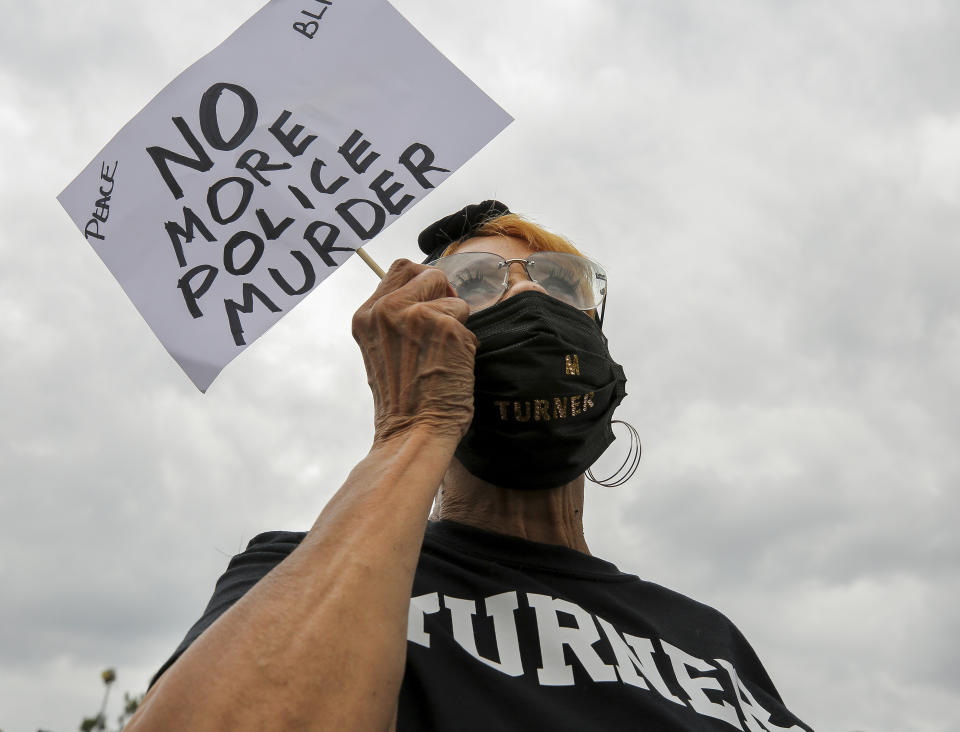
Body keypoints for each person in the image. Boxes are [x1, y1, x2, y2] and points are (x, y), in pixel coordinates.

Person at [127, 201, 812, 731]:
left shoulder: (710, 642)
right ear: (419, 338)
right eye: (478, 283)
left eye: (561, 283)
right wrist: (414, 428)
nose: (529, 296)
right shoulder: (298, 575)